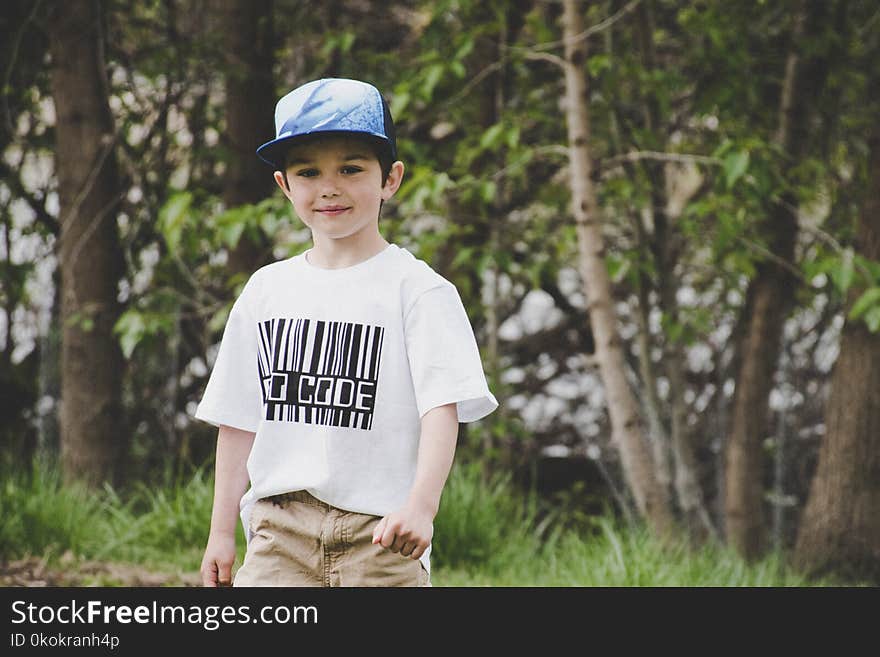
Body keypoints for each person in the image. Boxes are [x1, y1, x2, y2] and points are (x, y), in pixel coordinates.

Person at [195, 78, 498, 587]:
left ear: (391, 179)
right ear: (284, 186)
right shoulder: (267, 290)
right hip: (278, 529)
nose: (329, 186)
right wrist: (221, 532)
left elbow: (441, 411)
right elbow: (237, 419)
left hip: (380, 535)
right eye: (308, 171)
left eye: (351, 168)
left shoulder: (419, 290)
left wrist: (422, 507)